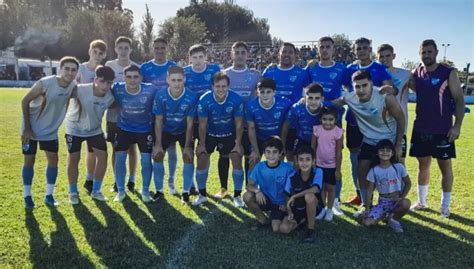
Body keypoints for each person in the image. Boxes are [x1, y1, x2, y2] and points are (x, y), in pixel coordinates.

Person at [333, 70, 405, 217]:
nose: (361, 90)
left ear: (371, 84)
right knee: (362, 168)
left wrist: (398, 144)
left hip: (389, 140)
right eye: (357, 86)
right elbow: (331, 104)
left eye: (364, 85)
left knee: (392, 173)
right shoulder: (350, 97)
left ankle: (393, 206)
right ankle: (366, 204)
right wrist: (308, 101)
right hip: (369, 140)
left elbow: (401, 118)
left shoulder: (385, 96)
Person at [408, 39, 465, 218]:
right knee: (423, 165)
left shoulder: (448, 73)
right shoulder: (416, 72)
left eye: (429, 52)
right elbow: (401, 81)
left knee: (445, 167)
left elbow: (459, 101)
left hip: (443, 129)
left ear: (436, 52)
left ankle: (445, 206)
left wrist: (457, 126)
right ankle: (422, 201)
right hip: (421, 128)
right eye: (423, 52)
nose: (426, 55)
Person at [21, 56, 79, 208]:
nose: (70, 72)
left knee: (53, 160)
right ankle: (27, 196)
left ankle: (49, 195)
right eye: (66, 68)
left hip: (50, 131)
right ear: (60, 69)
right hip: (31, 130)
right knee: (29, 161)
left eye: (73, 70)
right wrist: (27, 128)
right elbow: (25, 101)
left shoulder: (73, 85)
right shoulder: (46, 83)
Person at [342, 37, 393, 206]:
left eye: (365, 48)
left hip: (375, 124)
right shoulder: (349, 69)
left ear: (370, 49)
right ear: (354, 50)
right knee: (356, 159)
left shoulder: (379, 68)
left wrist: (388, 89)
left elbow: (392, 88)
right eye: (358, 48)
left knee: (378, 159)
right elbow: (336, 87)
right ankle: (361, 195)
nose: (362, 51)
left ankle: (382, 198)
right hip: (354, 121)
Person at [306, 36, 347, 215]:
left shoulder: (341, 68)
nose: (324, 50)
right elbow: (305, 88)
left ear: (333, 49)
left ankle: (335, 201)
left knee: (335, 156)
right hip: (316, 118)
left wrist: (340, 101)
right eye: (321, 47)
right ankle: (322, 203)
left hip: (333, 118)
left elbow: (351, 90)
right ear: (317, 49)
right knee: (319, 157)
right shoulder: (312, 68)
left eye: (327, 47)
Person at [217, 41, 261, 199]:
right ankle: (223, 188)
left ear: (247, 55)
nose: (240, 55)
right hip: (227, 123)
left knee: (248, 157)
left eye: (243, 52)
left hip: (248, 124)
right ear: (231, 54)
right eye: (237, 52)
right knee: (225, 155)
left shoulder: (255, 75)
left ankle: (247, 188)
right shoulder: (224, 74)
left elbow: (259, 96)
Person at [65, 65, 115, 204]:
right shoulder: (80, 90)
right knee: (74, 158)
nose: (106, 85)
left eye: (109, 82)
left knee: (103, 156)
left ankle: (96, 190)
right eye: (102, 81)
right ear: (95, 80)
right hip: (74, 129)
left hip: (94, 130)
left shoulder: (110, 97)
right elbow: (62, 95)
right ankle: (73, 192)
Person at [194, 72, 245, 207]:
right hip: (210, 134)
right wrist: (202, 144)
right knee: (202, 157)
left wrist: (238, 143)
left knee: (235, 157)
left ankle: (237, 196)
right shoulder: (205, 100)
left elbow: (239, 123)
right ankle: (202, 195)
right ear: (212, 86)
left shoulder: (236, 99)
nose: (220, 89)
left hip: (228, 134)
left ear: (228, 86)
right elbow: (202, 125)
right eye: (217, 86)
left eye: (223, 86)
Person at [111, 65, 157, 202]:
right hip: (123, 128)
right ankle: (120, 191)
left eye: (135, 77)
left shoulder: (150, 89)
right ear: (124, 78)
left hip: (144, 129)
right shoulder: (117, 88)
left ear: (141, 78)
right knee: (119, 160)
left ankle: (145, 191)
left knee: (146, 161)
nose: (132, 80)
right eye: (129, 77)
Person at [152, 66, 197, 204]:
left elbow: (190, 123)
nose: (176, 83)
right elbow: (158, 120)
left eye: (179, 80)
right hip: (166, 130)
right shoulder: (160, 95)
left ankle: (185, 192)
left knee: (188, 157)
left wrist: (188, 146)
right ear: (167, 80)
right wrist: (158, 144)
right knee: (158, 156)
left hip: (184, 130)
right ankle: (159, 191)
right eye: (173, 80)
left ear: (184, 79)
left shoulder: (191, 96)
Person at [141, 38, 180, 194]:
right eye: (156, 47)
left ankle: (171, 181)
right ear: (153, 48)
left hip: (171, 115)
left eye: (162, 48)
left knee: (172, 148)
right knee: (156, 151)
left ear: (167, 48)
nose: (159, 50)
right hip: (151, 115)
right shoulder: (145, 67)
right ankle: (157, 186)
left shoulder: (173, 66)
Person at [262, 42, 311, 164]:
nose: (287, 54)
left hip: (293, 122)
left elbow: (311, 91)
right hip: (272, 121)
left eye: (290, 52)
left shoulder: (302, 73)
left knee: (290, 155)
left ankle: (290, 182)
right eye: (284, 51)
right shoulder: (270, 72)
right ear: (279, 54)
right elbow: (260, 92)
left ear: (295, 55)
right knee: (274, 156)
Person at [184, 44, 221, 195]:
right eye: (194, 57)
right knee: (188, 151)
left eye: (201, 57)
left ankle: (202, 186)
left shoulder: (214, 70)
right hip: (190, 119)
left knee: (204, 152)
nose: (198, 61)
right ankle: (190, 184)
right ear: (189, 58)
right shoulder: (185, 72)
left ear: (206, 57)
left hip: (209, 119)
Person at [105, 36, 139, 193]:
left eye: (126, 48)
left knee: (132, 149)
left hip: (132, 117)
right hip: (113, 116)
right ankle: (117, 181)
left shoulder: (137, 67)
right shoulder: (109, 65)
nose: (123, 51)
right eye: (121, 47)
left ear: (131, 50)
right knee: (116, 150)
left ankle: (131, 180)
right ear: (115, 49)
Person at [76, 39, 108, 194]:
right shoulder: (80, 69)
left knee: (92, 151)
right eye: (94, 51)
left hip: (95, 117)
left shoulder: (104, 71)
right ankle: (76, 187)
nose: (97, 55)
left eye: (100, 53)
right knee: (75, 154)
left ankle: (89, 180)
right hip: (78, 116)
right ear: (89, 51)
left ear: (104, 55)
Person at [243, 137, 294, 233]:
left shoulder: (287, 168)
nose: (271, 155)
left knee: (276, 229)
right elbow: (249, 186)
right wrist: (257, 191)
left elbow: (292, 189)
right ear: (264, 153)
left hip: (281, 203)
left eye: (275, 152)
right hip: (265, 200)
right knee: (247, 196)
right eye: (268, 152)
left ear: (280, 153)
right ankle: (262, 219)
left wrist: (287, 206)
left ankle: (281, 216)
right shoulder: (259, 167)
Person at [360, 139, 412, 233]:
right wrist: (367, 208)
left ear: (392, 153)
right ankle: (383, 215)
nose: (385, 153)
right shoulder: (374, 170)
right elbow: (369, 190)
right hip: (383, 202)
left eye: (388, 150)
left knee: (406, 203)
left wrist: (401, 197)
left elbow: (408, 183)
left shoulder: (398, 167)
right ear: (377, 153)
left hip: (396, 201)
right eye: (382, 150)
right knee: (367, 223)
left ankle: (393, 219)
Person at [279, 145, 323, 243]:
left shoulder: (318, 171)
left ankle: (310, 230)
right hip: (297, 209)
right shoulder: (292, 176)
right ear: (297, 162)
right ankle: (301, 221)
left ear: (313, 161)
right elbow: (287, 197)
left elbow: (315, 189)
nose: (304, 163)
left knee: (309, 196)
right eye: (301, 160)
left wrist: (295, 196)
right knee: (284, 229)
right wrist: (289, 212)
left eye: (308, 159)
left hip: (314, 205)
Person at [246, 77, 292, 169]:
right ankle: (251, 183)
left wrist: (281, 145)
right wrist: (255, 150)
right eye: (262, 92)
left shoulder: (285, 104)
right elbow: (251, 128)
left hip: (277, 137)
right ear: (257, 93)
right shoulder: (250, 106)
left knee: (278, 164)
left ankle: (278, 182)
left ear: (274, 92)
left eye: (268, 92)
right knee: (253, 161)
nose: (265, 95)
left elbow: (285, 126)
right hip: (260, 138)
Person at [377, 44, 411, 163]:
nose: (385, 59)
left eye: (388, 55)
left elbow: (422, 88)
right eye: (381, 56)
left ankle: (403, 182)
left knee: (399, 161)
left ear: (394, 56)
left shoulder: (406, 74)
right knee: (379, 162)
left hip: (400, 125)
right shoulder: (374, 74)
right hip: (380, 125)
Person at [312, 106, 343, 221]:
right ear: (321, 119)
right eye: (325, 119)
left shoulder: (338, 132)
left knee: (330, 188)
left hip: (332, 166)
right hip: (319, 165)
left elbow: (339, 152)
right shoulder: (317, 129)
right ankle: (322, 209)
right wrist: (313, 163)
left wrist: (338, 170)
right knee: (321, 188)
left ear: (335, 119)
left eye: (331, 120)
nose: (327, 122)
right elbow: (313, 146)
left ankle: (329, 210)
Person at [282, 84, 326, 159]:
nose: (313, 102)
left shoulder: (327, 109)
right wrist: (282, 144)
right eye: (310, 98)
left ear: (322, 99)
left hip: (321, 142)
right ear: (305, 98)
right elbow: (286, 125)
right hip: (302, 139)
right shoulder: (297, 108)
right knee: (297, 161)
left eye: (317, 98)